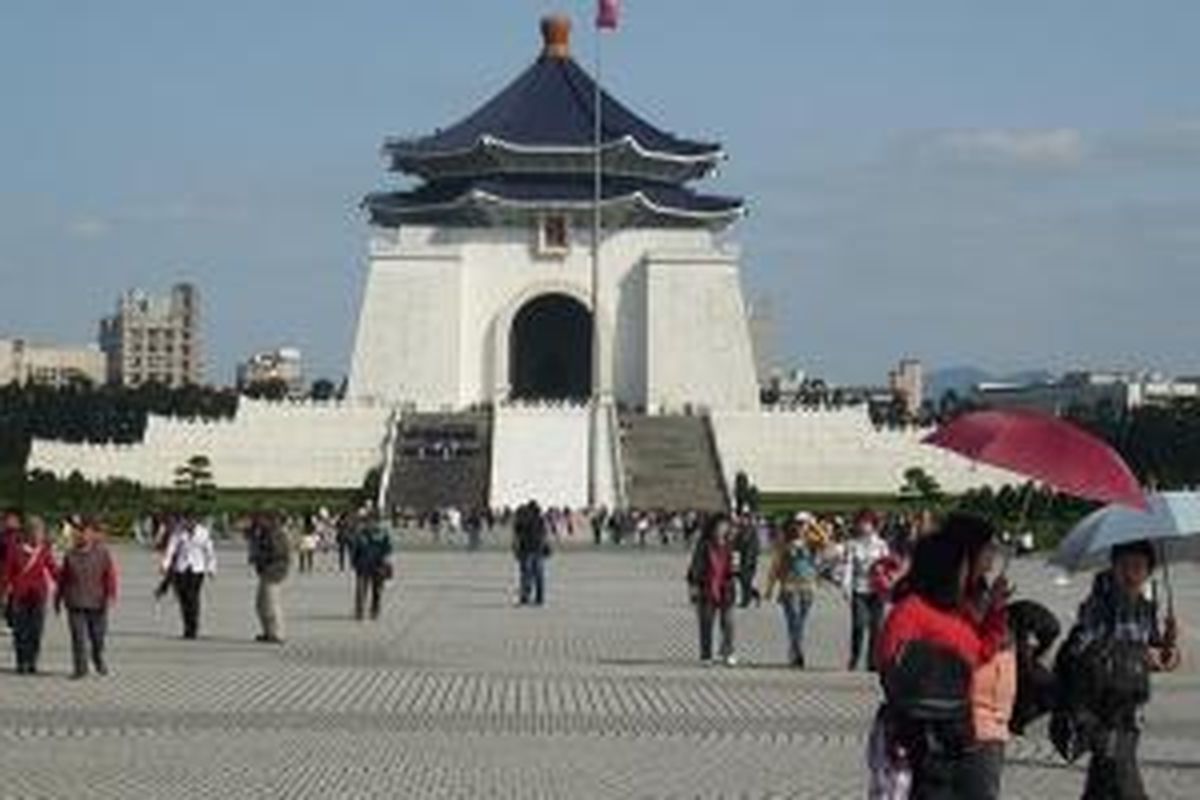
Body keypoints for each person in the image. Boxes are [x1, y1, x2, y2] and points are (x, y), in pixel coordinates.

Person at [870, 514, 1009, 800]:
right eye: (963, 567)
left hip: (957, 735)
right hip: (923, 739)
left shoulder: (955, 613)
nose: (967, 573)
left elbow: (978, 652)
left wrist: (995, 612)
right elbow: (889, 663)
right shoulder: (912, 611)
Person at [1060, 539, 1180, 800]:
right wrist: (1133, 653)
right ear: (1113, 568)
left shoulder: (1146, 609)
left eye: (1139, 567)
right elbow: (1081, 653)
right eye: (1124, 566)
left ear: (1149, 572)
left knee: (1103, 783)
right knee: (1124, 779)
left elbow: (1160, 659)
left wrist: (1169, 644)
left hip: (1131, 711)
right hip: (1101, 712)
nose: (1131, 574)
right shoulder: (1097, 607)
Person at [960, 525, 1017, 800]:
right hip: (974, 717)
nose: (994, 553)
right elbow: (977, 646)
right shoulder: (956, 595)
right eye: (989, 547)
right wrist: (992, 607)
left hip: (994, 716)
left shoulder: (980, 589)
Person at [55, 518, 118, 679]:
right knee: (78, 638)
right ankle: (80, 668)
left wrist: (111, 594)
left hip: (97, 602)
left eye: (86, 532)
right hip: (75, 601)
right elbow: (63, 579)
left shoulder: (103, 553)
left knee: (97, 637)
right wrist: (57, 599)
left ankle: (98, 658)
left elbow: (109, 575)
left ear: (92, 534)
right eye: (79, 532)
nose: (82, 536)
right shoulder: (70, 555)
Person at [4, 517, 58, 674]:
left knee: (36, 630)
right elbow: (7, 573)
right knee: (20, 631)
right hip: (19, 596)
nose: (38, 536)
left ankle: (32, 660)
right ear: (27, 533)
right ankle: (21, 661)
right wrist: (3, 593)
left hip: (38, 596)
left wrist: (67, 582)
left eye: (40, 532)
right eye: (35, 532)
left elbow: (53, 569)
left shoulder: (43, 551)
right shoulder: (15, 550)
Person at [763, 519, 818, 668]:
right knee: (794, 621)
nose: (801, 528)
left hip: (808, 587)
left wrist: (814, 525)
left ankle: (793, 650)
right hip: (789, 587)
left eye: (803, 525)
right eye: (798, 525)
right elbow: (775, 566)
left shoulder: (812, 543)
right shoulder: (784, 545)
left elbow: (827, 543)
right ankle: (797, 653)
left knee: (800, 622)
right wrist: (769, 588)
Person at [686, 514, 738, 666]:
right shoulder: (704, 545)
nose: (723, 529)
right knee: (706, 623)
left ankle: (728, 652)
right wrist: (693, 587)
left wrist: (736, 570)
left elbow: (734, 568)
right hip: (707, 588)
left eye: (725, 526)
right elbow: (695, 567)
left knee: (728, 623)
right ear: (713, 528)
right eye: (720, 526)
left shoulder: (730, 545)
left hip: (726, 588)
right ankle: (706, 655)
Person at [843, 510, 891, 671]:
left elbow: (889, 566)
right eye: (861, 522)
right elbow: (848, 566)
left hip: (878, 590)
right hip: (859, 588)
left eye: (867, 522)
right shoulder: (852, 544)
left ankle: (873, 661)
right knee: (858, 624)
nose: (863, 526)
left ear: (874, 525)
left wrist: (888, 584)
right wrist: (846, 585)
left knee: (876, 627)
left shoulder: (882, 545)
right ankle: (854, 657)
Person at [161, 516, 217, 639]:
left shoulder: (203, 533)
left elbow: (209, 552)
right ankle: (186, 626)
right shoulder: (178, 532)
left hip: (197, 569)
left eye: (191, 521)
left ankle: (193, 627)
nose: (187, 523)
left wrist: (211, 568)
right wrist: (165, 565)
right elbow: (171, 549)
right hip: (181, 568)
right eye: (185, 521)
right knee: (183, 599)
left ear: (196, 521)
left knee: (193, 597)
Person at [247, 513, 290, 644]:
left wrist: (259, 556)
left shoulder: (275, 533)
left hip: (273, 572)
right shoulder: (264, 532)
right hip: (266, 572)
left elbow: (279, 553)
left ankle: (278, 634)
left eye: (259, 519)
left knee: (272, 604)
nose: (257, 522)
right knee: (261, 605)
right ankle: (268, 631)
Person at [350, 515, 393, 621]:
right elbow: (355, 549)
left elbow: (388, 549)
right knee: (360, 590)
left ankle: (375, 609)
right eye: (368, 522)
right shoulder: (360, 534)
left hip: (377, 566)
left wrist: (385, 562)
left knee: (376, 590)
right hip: (362, 565)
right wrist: (354, 563)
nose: (371, 524)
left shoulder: (382, 534)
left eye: (373, 522)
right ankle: (359, 611)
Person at [512, 501, 548, 606]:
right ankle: (539, 598)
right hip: (538, 550)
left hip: (526, 550)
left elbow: (517, 536)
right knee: (538, 576)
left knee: (526, 575)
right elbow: (544, 535)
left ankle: (525, 597)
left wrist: (516, 549)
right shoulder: (540, 520)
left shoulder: (523, 520)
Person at [734, 519, 762, 608]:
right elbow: (736, 545)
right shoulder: (740, 533)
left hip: (750, 562)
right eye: (742, 521)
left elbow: (756, 548)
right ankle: (755, 595)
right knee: (743, 581)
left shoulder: (753, 533)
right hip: (741, 560)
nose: (743, 522)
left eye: (745, 520)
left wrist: (751, 559)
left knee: (746, 581)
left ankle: (745, 601)